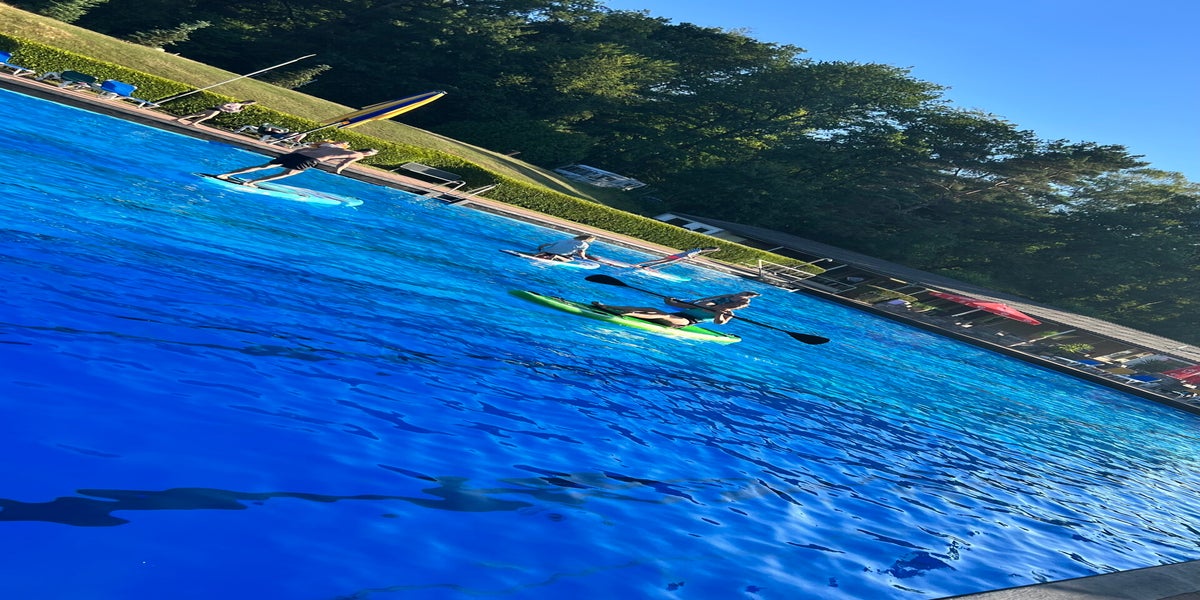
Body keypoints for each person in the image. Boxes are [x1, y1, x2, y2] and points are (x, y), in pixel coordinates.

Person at [213, 141, 378, 187]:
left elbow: (308, 147)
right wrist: (337, 171)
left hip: (298, 154)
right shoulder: (357, 155)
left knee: (264, 166)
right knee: (285, 174)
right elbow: (343, 164)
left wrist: (292, 153)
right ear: (367, 153)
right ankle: (251, 182)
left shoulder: (333, 146)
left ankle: (226, 174)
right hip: (308, 160)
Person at [593, 291, 760, 328]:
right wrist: (669, 301)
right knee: (652, 308)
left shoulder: (728, 314)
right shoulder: (708, 304)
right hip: (678, 313)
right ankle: (607, 306)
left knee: (665, 316)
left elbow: (718, 323)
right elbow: (682, 306)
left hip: (686, 321)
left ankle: (628, 314)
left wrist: (719, 313)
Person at [176, 100, 257, 126]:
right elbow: (224, 105)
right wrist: (228, 109)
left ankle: (190, 121)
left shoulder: (238, 106)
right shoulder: (236, 104)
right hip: (216, 109)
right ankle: (192, 122)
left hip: (218, 110)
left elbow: (229, 111)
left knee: (201, 115)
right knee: (202, 115)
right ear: (247, 102)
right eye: (249, 103)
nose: (248, 104)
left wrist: (236, 111)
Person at [634, 246, 720, 270]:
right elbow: (688, 254)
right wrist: (691, 257)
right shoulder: (698, 251)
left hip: (677, 256)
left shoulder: (697, 250)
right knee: (661, 261)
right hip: (677, 257)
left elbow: (689, 253)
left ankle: (644, 265)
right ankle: (643, 265)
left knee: (660, 261)